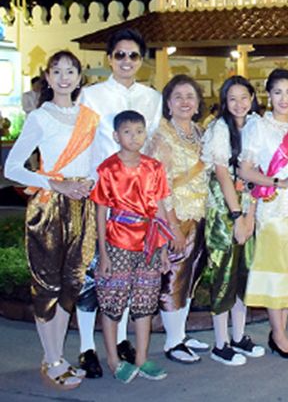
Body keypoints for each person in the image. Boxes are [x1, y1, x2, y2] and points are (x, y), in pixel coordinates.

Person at [4, 51, 99, 390]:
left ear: (79, 77)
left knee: (72, 284)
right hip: (49, 207)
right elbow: (12, 168)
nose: (64, 78)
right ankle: (52, 358)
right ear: (47, 77)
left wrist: (89, 182)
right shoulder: (40, 117)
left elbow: (95, 162)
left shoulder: (89, 117)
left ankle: (57, 357)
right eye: (57, 71)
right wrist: (56, 184)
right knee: (48, 285)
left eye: (70, 71)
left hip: (82, 206)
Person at [76, 28, 162, 377]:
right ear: (109, 59)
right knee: (95, 273)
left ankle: (125, 342)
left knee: (132, 278)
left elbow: (151, 146)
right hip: (100, 194)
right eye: (120, 55)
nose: (127, 61)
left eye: (134, 55)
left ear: (142, 60)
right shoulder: (91, 95)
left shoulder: (151, 98)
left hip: (138, 203)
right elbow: (81, 143)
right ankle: (87, 346)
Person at [92, 110, 174, 383]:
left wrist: (163, 248)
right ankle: (113, 359)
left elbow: (160, 208)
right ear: (116, 136)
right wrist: (103, 253)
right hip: (117, 242)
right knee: (112, 301)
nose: (134, 137)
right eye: (127, 132)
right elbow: (101, 212)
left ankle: (142, 357)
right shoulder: (108, 169)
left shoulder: (154, 167)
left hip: (149, 242)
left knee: (145, 301)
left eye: (139, 131)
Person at [239, 69, 288, 359]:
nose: (284, 98)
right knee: (275, 270)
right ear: (268, 95)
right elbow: (245, 170)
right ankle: (279, 334)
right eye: (278, 92)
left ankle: (280, 331)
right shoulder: (258, 126)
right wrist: (279, 182)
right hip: (272, 206)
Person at [145, 74, 210, 364]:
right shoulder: (162, 135)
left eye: (190, 97)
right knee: (174, 276)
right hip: (176, 216)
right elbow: (158, 187)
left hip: (200, 213)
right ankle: (172, 342)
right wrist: (171, 226)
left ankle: (181, 333)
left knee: (190, 274)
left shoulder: (199, 132)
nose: (185, 102)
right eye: (178, 97)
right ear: (168, 103)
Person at [201, 76, 264, 366]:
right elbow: (223, 175)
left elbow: (254, 175)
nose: (239, 104)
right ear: (224, 102)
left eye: (244, 97)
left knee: (243, 273)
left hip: (247, 205)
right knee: (224, 274)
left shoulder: (255, 125)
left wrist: (250, 216)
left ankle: (238, 337)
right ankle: (220, 343)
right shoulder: (219, 129)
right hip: (223, 210)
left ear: (252, 98)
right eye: (232, 99)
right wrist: (237, 216)